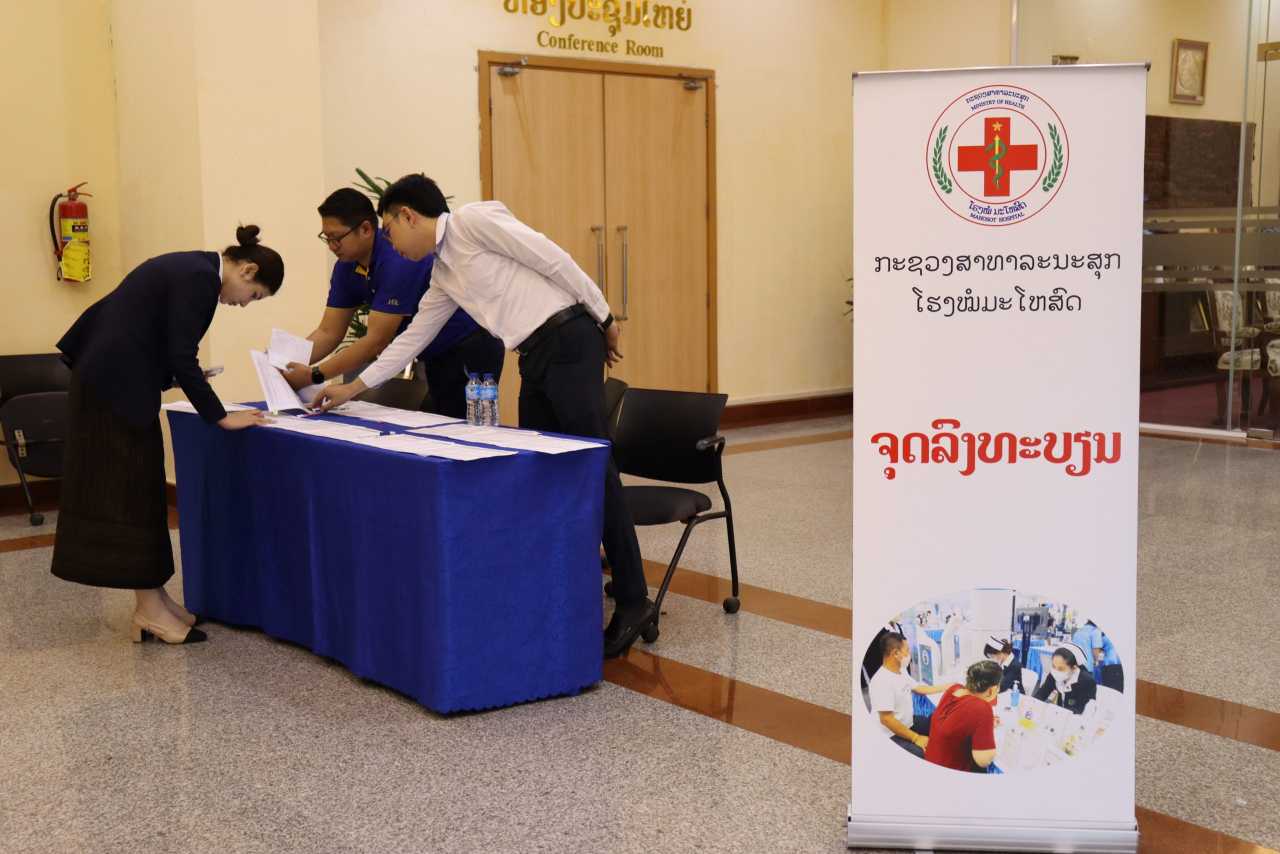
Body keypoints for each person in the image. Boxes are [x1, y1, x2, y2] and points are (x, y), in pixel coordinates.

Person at [313, 174, 655, 657]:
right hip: (534, 355)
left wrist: (604, 317)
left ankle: (634, 599)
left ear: (409, 215)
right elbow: (412, 339)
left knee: (593, 467)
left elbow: (552, 258)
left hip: (569, 338)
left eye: (389, 229)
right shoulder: (443, 273)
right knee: (545, 471)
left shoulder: (472, 221)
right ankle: (567, 587)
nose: (391, 244)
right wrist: (352, 387)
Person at [51, 226, 281, 645]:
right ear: (247, 270)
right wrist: (220, 416)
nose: (244, 304)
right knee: (133, 492)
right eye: (255, 295)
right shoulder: (200, 277)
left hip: (112, 382)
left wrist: (177, 376)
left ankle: (154, 600)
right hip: (112, 388)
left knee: (142, 488)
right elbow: (180, 354)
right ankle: (149, 609)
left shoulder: (192, 267)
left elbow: (150, 337)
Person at [280, 188, 504, 417]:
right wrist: (284, 363)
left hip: (467, 345)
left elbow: (376, 341)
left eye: (336, 238)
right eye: (326, 238)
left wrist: (314, 375)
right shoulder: (346, 266)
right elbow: (328, 331)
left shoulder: (399, 258)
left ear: (366, 229)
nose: (331, 246)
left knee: (465, 423)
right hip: (426, 348)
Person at [868, 633, 950, 758]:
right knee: (923, 754)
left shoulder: (900, 671)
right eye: (907, 650)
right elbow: (886, 720)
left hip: (907, 722)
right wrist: (916, 738)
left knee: (938, 724)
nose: (909, 654)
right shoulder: (881, 681)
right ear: (896, 653)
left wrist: (948, 686)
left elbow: (919, 688)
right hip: (891, 733)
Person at [924, 659, 1002, 773]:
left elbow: (959, 721)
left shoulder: (954, 688)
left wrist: (984, 723)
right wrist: (986, 723)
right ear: (992, 690)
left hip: (931, 759)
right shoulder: (982, 708)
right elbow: (983, 760)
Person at [1033, 644, 1098, 714]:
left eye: (1061, 668)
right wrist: (1032, 704)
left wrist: (1054, 711)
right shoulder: (1054, 674)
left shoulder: (1087, 682)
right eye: (1053, 666)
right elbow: (1041, 694)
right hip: (1059, 713)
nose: (1056, 671)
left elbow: (1081, 710)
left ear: (1074, 668)